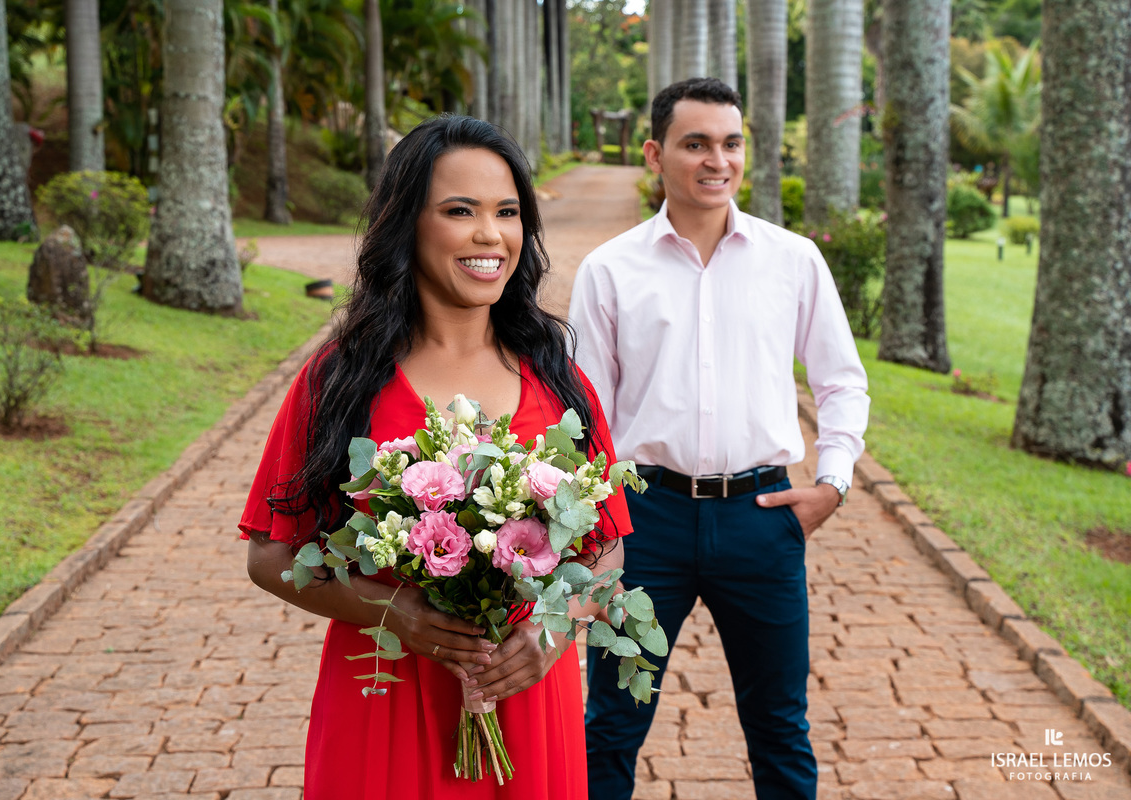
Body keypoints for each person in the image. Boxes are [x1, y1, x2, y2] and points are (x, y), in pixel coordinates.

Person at [239, 115, 630, 800]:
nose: (490, 235)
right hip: (384, 697)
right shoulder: (340, 380)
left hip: (527, 697)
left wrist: (556, 628)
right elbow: (271, 557)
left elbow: (607, 551)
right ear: (407, 225)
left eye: (507, 212)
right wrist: (397, 614)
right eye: (460, 211)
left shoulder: (559, 382)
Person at [570, 78, 870, 800]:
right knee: (611, 725)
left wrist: (832, 483)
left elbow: (841, 381)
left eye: (731, 143)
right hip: (645, 524)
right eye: (696, 143)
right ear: (655, 154)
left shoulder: (793, 260)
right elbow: (585, 416)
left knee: (780, 726)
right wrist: (597, 534)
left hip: (761, 520)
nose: (717, 160)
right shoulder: (610, 270)